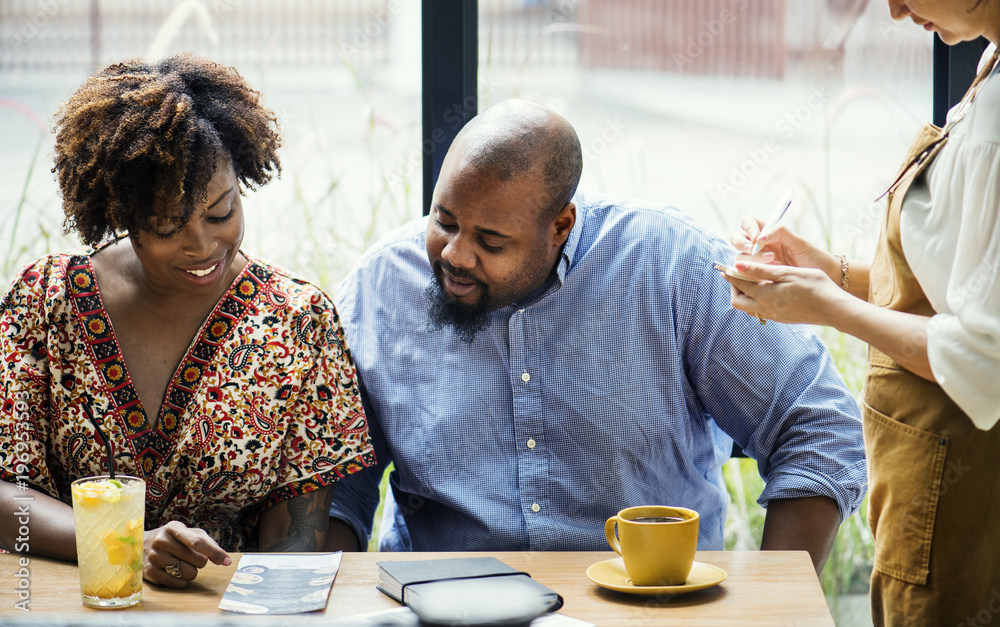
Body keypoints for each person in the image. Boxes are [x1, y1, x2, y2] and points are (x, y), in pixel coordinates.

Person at [325, 98, 867, 573]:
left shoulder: (671, 268)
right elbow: (332, 481)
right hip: (440, 612)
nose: (456, 255)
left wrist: (770, 604)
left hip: (649, 614)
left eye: (491, 242)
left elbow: (817, 425)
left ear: (560, 225)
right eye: (444, 221)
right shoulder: (380, 289)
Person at [0, 54, 375, 589]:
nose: (203, 245)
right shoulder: (45, 303)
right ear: (122, 212)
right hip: (77, 605)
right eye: (167, 225)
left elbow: (298, 529)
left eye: (222, 213)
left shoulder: (298, 322)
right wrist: (125, 543)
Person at [721, 1, 1000, 624]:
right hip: (924, 487)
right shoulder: (989, 63)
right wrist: (831, 270)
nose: (897, 11)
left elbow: (984, 356)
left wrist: (831, 309)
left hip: (960, 492)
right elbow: (959, 284)